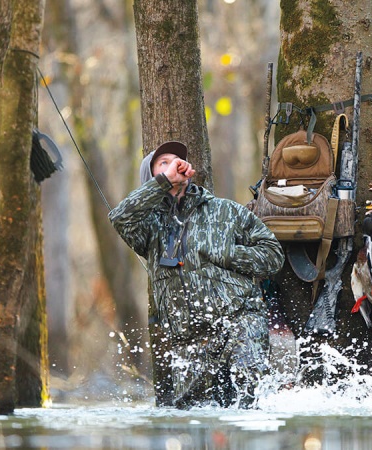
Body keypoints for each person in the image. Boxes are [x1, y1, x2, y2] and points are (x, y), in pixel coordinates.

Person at [109, 141, 284, 409]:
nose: (173, 166)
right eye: (163, 163)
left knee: (247, 396)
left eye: (176, 160)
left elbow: (273, 255)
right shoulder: (147, 227)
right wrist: (164, 183)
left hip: (240, 319)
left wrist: (229, 254)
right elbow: (120, 217)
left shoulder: (224, 211)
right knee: (195, 413)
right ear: (151, 178)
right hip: (189, 339)